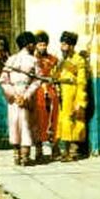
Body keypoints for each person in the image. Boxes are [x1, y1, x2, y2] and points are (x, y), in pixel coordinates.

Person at [0, 31, 41, 166]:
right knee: (25, 125)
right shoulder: (33, 61)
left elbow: (3, 81)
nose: (34, 47)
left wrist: (14, 94)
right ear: (29, 45)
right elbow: (37, 81)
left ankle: (19, 154)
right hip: (23, 95)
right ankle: (23, 156)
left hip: (16, 97)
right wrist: (25, 95)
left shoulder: (11, 60)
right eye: (33, 44)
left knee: (15, 124)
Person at [52, 31, 88, 162]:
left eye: (65, 44)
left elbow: (82, 82)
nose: (62, 46)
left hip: (74, 95)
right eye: (62, 43)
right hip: (63, 95)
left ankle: (73, 151)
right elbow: (55, 76)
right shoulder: (62, 61)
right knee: (64, 121)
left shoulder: (79, 60)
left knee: (74, 121)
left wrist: (80, 100)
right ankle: (65, 150)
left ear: (72, 46)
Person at [33, 31, 59, 163]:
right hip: (37, 92)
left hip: (50, 91)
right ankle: (38, 150)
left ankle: (55, 148)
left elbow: (55, 76)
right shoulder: (32, 60)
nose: (42, 47)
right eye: (40, 44)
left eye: (44, 44)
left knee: (54, 118)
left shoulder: (53, 60)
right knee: (38, 120)